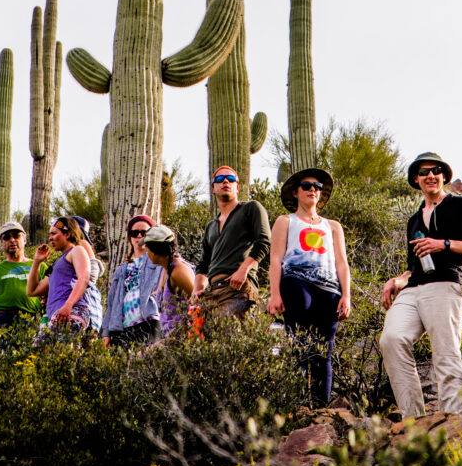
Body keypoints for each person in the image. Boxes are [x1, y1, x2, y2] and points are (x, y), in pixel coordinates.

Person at [379, 152, 462, 420]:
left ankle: (452, 425)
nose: (430, 175)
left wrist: (443, 244)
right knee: (392, 339)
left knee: (445, 354)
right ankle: (414, 422)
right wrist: (396, 281)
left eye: (436, 170)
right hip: (414, 288)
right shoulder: (414, 220)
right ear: (416, 179)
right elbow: (412, 268)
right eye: (424, 171)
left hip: (447, 283)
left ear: (444, 176)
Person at [267, 167, 352, 408]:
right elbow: (275, 259)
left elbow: (341, 262)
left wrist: (346, 295)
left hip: (329, 288)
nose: (312, 189)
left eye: (317, 186)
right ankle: (297, 405)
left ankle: (320, 409)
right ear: (295, 192)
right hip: (296, 282)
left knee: (323, 353)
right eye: (306, 186)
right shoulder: (285, 221)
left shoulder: (333, 226)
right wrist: (274, 294)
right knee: (299, 345)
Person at [194, 165, 271, 327]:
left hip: (238, 288)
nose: (226, 182)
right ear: (213, 188)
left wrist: (243, 270)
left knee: (232, 337)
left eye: (231, 179)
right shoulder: (210, 226)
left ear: (238, 187)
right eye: (220, 179)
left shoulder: (250, 208)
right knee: (208, 345)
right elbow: (203, 264)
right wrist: (198, 289)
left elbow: (264, 241)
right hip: (212, 293)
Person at [100, 215, 166, 348]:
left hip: (149, 321)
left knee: (147, 363)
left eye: (144, 233)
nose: (139, 236)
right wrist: (106, 333)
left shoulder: (159, 262)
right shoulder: (121, 270)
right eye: (135, 233)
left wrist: (157, 294)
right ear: (130, 237)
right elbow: (111, 304)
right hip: (121, 328)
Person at [27, 216, 96, 334]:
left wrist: (68, 305)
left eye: (54, 234)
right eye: (49, 234)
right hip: (57, 315)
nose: (50, 238)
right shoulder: (58, 265)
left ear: (67, 234)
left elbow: (84, 277)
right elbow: (32, 291)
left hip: (72, 312)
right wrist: (37, 262)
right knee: (41, 350)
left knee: (59, 348)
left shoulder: (77, 250)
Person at [0, 222, 43, 341]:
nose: (12, 240)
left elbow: (51, 294)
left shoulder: (39, 265)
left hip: (32, 320)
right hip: (3, 321)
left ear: (24, 239)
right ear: (2, 243)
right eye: (6, 238)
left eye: (16, 236)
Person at [141, 224, 196, 339]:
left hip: (183, 339)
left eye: (148, 249)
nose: (147, 253)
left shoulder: (179, 272)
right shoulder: (165, 269)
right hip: (171, 337)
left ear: (156, 251)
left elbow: (198, 303)